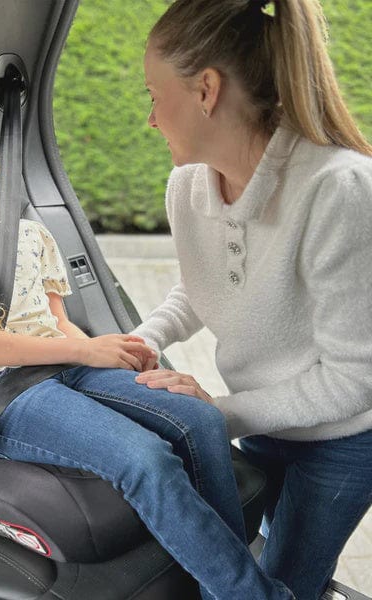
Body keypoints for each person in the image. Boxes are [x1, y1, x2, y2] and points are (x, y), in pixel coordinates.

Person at [0, 91, 294, 599]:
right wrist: (84, 352)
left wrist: (114, 357)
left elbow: (59, 324)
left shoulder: (28, 236)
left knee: (200, 419)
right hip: (10, 392)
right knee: (145, 459)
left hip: (70, 367)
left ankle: (222, 585)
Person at [134, 0, 372, 598]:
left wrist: (219, 412)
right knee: (253, 554)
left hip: (344, 439)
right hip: (260, 420)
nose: (150, 120)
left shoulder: (339, 189)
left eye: (154, 96)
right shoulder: (186, 185)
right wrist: (142, 338)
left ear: (206, 90)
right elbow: (202, 286)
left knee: (277, 582)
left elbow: (357, 378)